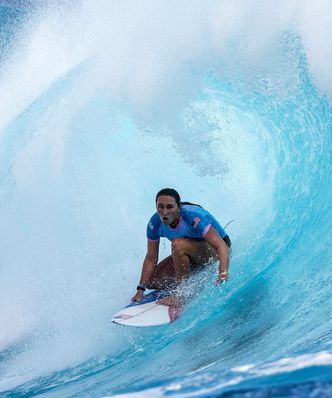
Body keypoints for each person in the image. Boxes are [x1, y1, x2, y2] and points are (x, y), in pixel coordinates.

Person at [131, 188, 231, 305]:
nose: (164, 211)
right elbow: (151, 258)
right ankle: (188, 275)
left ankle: (181, 295)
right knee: (152, 281)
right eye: (160, 206)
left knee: (178, 244)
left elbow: (221, 245)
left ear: (178, 207)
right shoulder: (154, 223)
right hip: (191, 254)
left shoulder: (193, 216)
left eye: (170, 207)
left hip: (214, 252)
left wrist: (223, 273)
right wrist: (140, 289)